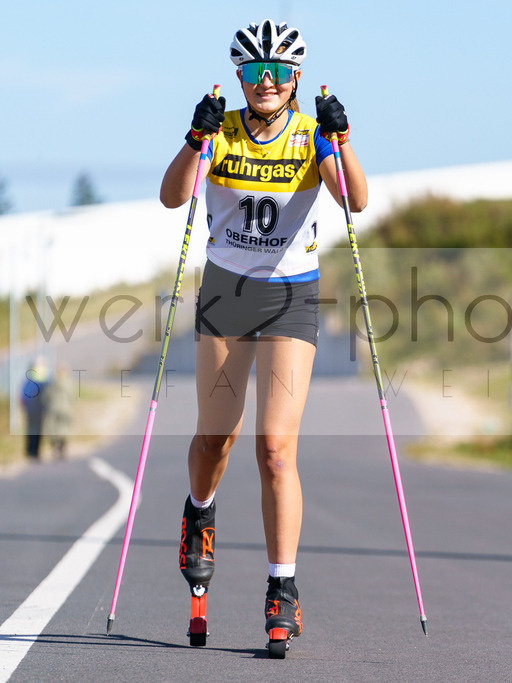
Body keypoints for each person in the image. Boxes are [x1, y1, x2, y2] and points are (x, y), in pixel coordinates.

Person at [159, 18, 367, 645]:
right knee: (216, 439)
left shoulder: (311, 135)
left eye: (277, 72)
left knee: (275, 448)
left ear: (295, 77)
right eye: (254, 72)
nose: (266, 82)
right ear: (240, 77)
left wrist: (343, 138)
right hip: (227, 292)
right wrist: (194, 138)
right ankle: (200, 513)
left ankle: (283, 587)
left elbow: (353, 201)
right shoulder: (220, 130)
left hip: (290, 296)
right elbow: (173, 198)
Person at [19, 357, 49, 460]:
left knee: (33, 430)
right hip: (36, 408)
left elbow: (23, 394)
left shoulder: (31, 378)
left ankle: (32, 451)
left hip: (34, 408)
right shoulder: (42, 378)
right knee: (35, 430)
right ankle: (33, 451)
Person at [45, 363, 74, 459]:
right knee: (64, 428)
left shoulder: (52, 382)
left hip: (53, 408)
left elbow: (46, 396)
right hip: (65, 408)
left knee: (53, 429)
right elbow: (72, 396)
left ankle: (55, 447)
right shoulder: (68, 382)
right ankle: (62, 448)